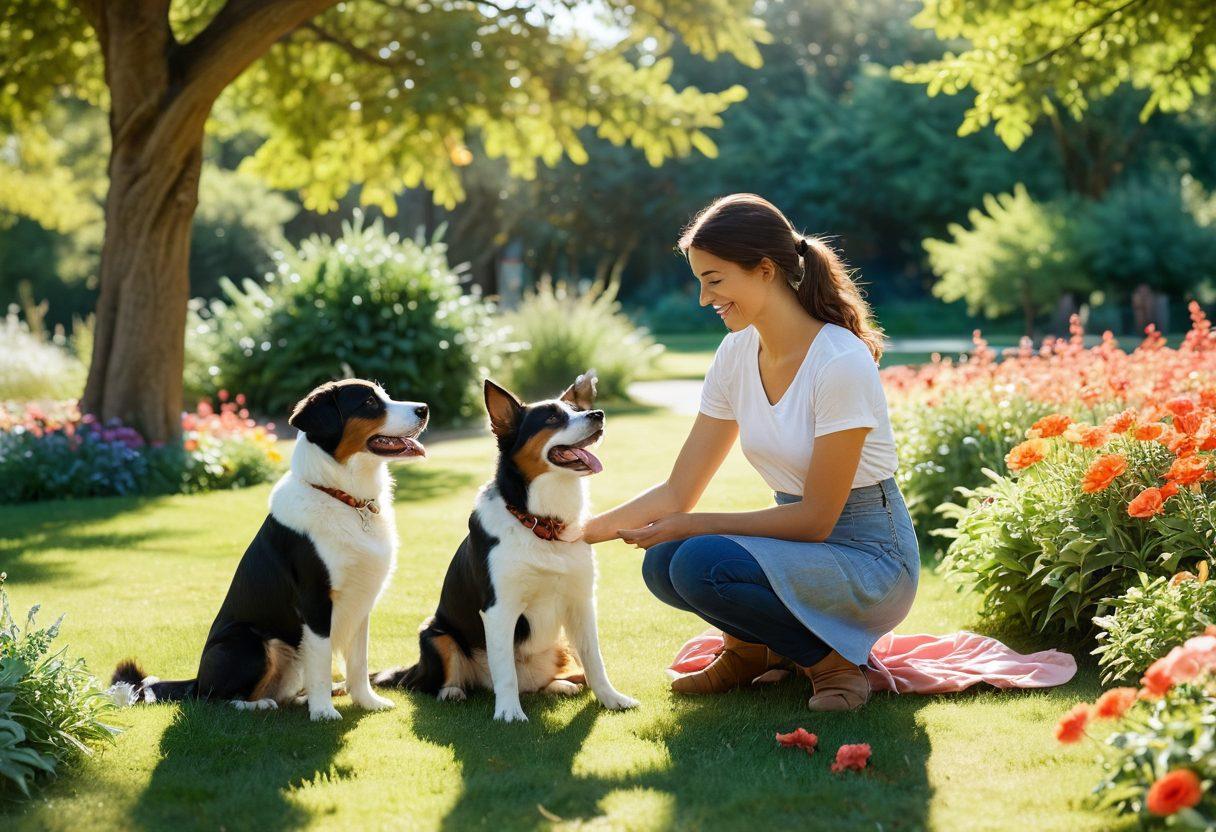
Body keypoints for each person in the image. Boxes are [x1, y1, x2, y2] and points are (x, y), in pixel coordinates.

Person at [581, 193, 919, 712]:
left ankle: (833, 667)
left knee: (696, 557)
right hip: (805, 547)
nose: (703, 298)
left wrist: (693, 525)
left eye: (714, 280)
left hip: (872, 559)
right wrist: (578, 533)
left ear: (764, 270)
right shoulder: (737, 353)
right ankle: (751, 652)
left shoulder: (839, 362)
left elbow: (816, 521)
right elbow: (678, 491)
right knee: (663, 563)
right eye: (700, 281)